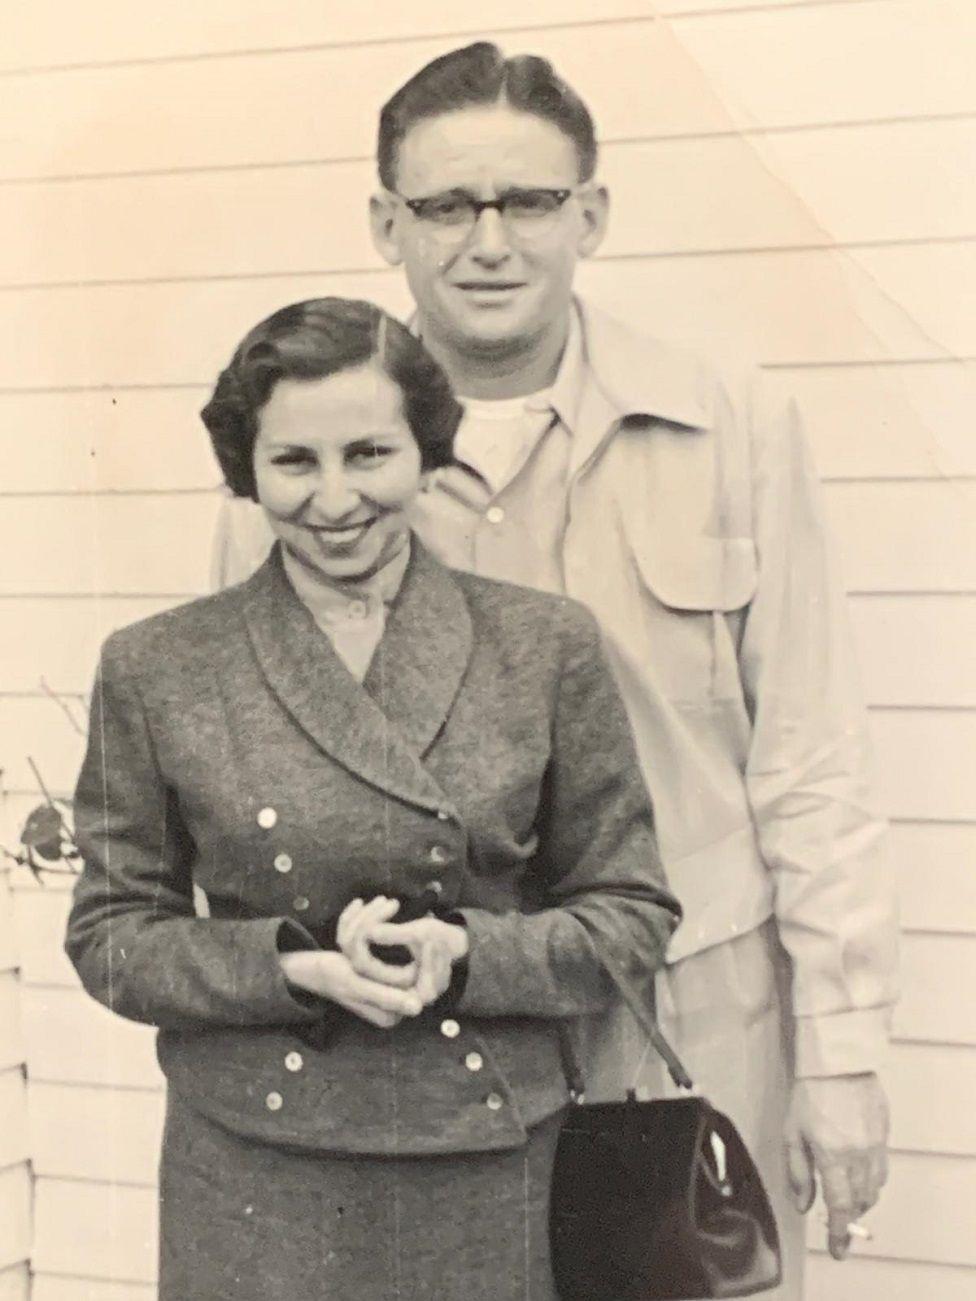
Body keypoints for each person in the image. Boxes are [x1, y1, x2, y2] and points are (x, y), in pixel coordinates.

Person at [212, 42, 900, 1299]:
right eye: (444, 206)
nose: (488, 242)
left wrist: (843, 1053)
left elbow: (812, 754)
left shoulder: (726, 422)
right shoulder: (306, 456)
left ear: (589, 213)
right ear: (385, 223)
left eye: (528, 201)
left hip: (683, 1017)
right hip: (417, 1037)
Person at [65, 297, 680, 1301]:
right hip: (254, 1161)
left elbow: (630, 917)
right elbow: (111, 935)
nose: (335, 496)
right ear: (246, 468)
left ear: (427, 453)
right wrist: (291, 969)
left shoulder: (546, 646)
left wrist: (467, 953)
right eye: (294, 462)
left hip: (484, 1148)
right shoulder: (156, 665)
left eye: (369, 453)